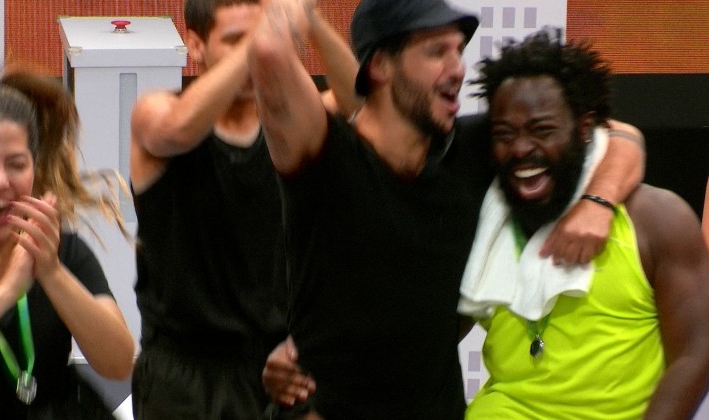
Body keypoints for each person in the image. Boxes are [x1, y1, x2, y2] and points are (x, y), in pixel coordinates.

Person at [250, 0, 646, 418]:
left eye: (459, 50)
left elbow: (618, 136)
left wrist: (598, 200)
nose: (458, 69)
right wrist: (301, 14)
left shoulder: (469, 151)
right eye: (437, 51)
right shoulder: (323, 155)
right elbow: (268, 52)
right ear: (381, 65)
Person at [458, 29, 709, 419]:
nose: (520, 148)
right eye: (504, 134)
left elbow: (697, 351)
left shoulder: (657, 217)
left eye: (542, 130)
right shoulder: (479, 221)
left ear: (584, 129)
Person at [128, 0, 358, 418]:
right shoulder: (157, 110)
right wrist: (260, 40)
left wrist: (311, 20)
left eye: (261, 38)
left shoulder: (291, 123)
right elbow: (175, 130)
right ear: (196, 46)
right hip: (184, 373)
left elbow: (362, 105)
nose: (255, 51)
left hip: (277, 368)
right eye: (234, 41)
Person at [0, 69, 135, 419]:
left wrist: (53, 273)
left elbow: (118, 363)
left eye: (16, 164)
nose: (0, 181)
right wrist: (6, 293)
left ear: (34, 168)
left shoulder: (64, 251)